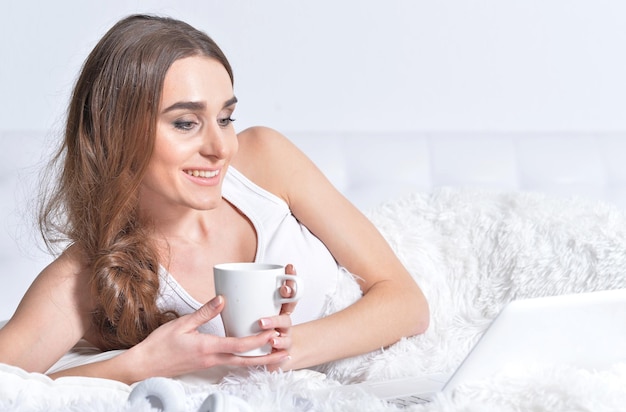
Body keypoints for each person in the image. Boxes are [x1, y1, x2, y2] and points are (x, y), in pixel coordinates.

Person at [0, 14, 429, 384]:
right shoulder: (86, 273)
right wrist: (138, 365)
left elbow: (406, 301)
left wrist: (284, 350)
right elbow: (9, 383)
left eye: (225, 118)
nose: (221, 148)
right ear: (114, 132)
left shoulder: (266, 159)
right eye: (186, 123)